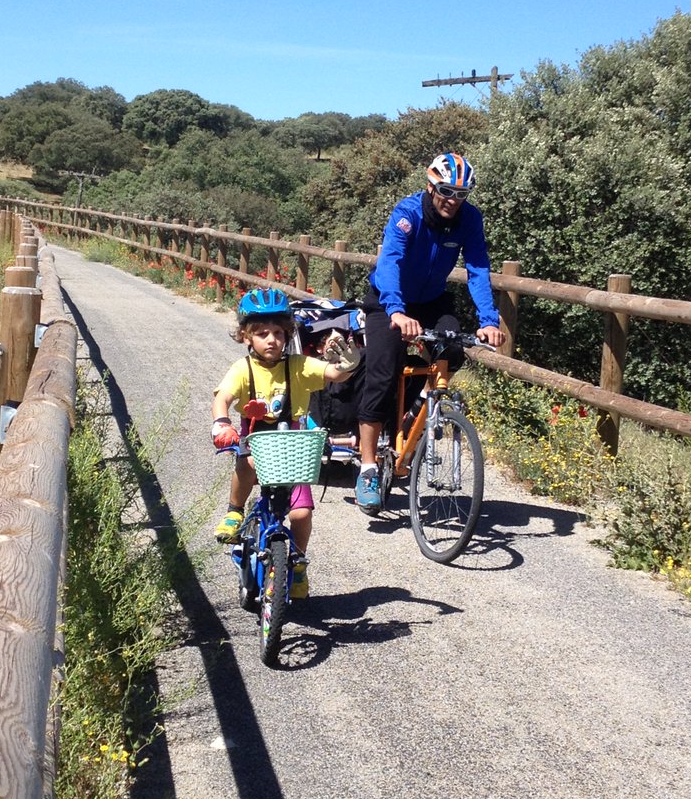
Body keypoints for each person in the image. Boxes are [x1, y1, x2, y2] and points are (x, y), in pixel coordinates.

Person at [354, 152, 505, 514]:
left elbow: (478, 268)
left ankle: (420, 404)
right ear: (430, 186)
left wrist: (489, 320)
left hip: (432, 301)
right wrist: (396, 310)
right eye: (446, 191)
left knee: (452, 350)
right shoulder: (407, 214)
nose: (453, 200)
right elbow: (390, 261)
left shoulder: (470, 219)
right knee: (383, 372)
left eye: (461, 194)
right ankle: (368, 468)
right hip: (389, 300)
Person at [212, 288, 360, 597]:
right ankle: (235, 511)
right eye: (262, 333)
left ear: (288, 334)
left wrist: (346, 365)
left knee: (301, 514)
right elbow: (223, 397)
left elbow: (332, 373)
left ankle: (299, 562)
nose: (271, 340)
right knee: (247, 461)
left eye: (278, 333)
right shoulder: (243, 369)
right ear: (246, 337)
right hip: (256, 437)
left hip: (294, 445)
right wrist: (222, 422)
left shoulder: (299, 365)